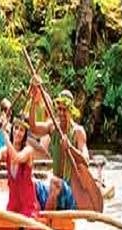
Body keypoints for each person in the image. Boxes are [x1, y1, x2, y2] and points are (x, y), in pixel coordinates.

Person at [28, 82, 89, 211]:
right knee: (31, 184)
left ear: (70, 111)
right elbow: (33, 127)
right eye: (59, 109)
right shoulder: (52, 127)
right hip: (54, 184)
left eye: (64, 110)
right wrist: (34, 99)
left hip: (71, 191)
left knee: (55, 183)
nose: (60, 113)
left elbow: (86, 160)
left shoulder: (78, 132)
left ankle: (50, 223)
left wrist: (71, 148)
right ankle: (38, 220)